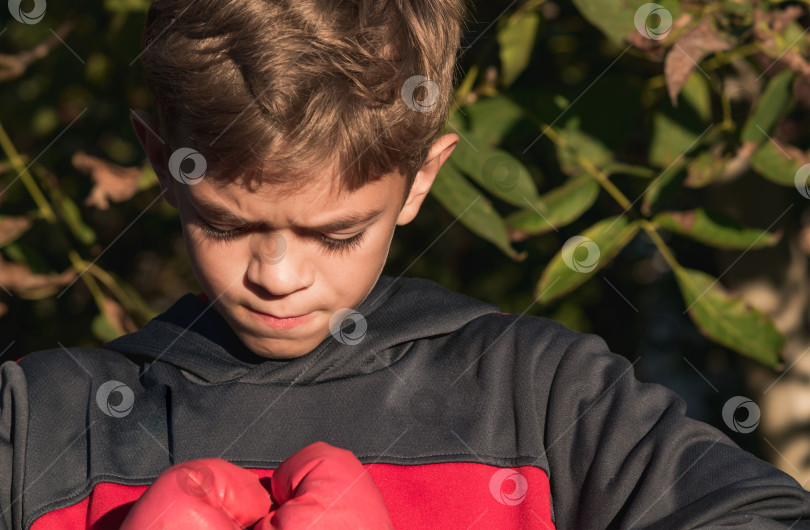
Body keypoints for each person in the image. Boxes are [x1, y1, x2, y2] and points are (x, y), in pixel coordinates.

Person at [2, 0, 810, 528]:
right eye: (226, 222)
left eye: (337, 234)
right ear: (158, 160)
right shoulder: (45, 425)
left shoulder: (535, 397)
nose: (278, 276)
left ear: (422, 178)